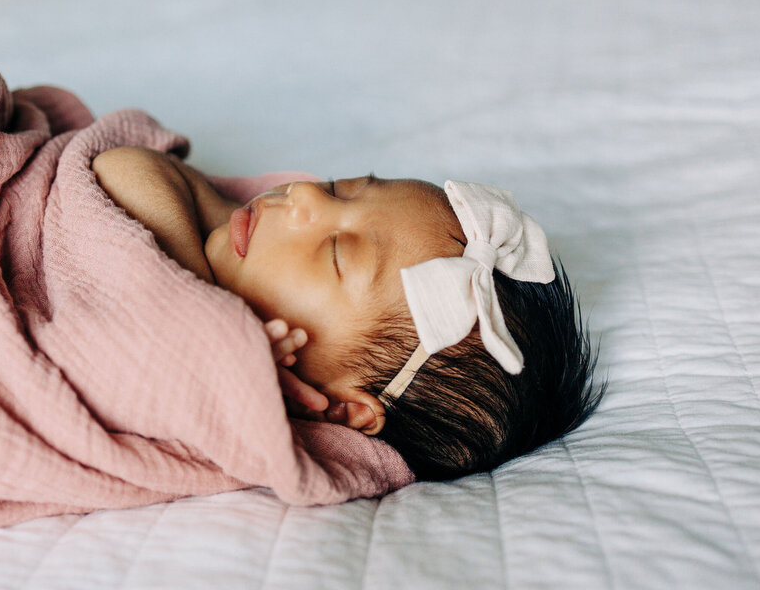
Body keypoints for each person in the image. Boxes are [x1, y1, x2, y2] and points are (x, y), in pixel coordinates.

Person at [92, 146, 602, 480]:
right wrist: (196, 304)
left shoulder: (228, 425)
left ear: (343, 408)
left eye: (336, 252)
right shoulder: (210, 223)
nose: (307, 194)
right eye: (342, 188)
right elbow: (123, 165)